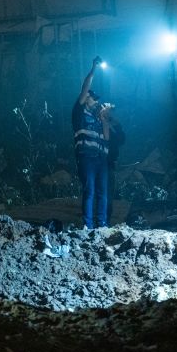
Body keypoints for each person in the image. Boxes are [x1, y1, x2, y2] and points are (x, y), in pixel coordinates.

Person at [72, 56, 109, 228]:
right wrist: (93, 69)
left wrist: (104, 118)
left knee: (103, 192)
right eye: (92, 97)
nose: (95, 101)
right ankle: (88, 225)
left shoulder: (97, 119)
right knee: (90, 191)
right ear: (85, 98)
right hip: (86, 157)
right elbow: (85, 88)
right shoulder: (79, 113)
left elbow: (107, 138)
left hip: (101, 159)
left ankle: (102, 224)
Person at [101, 104, 125, 225]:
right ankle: (102, 220)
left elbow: (121, 140)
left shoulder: (114, 126)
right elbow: (109, 139)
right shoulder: (100, 123)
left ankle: (106, 221)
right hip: (101, 161)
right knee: (104, 192)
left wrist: (117, 125)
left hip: (110, 162)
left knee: (109, 192)